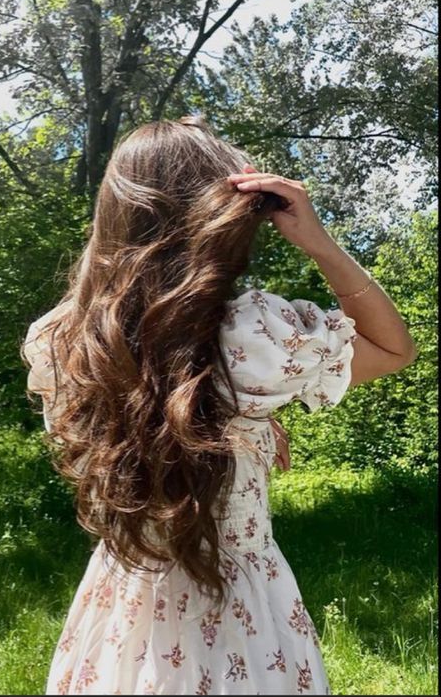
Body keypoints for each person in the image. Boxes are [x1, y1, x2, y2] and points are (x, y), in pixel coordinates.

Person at [21, 116, 417, 696]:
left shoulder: (64, 339)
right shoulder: (250, 338)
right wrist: (318, 240)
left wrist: (245, 427)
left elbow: (159, 401)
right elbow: (393, 348)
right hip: (237, 610)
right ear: (225, 214)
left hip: (122, 606)